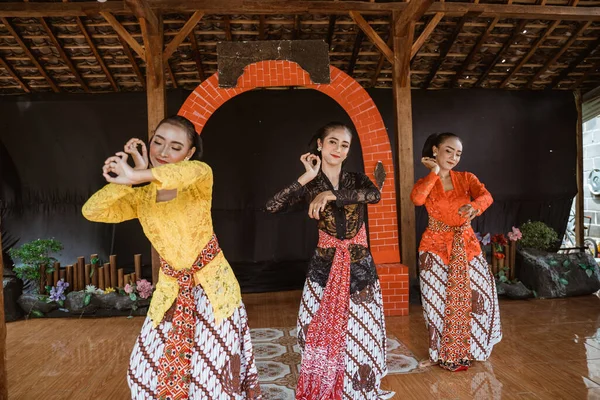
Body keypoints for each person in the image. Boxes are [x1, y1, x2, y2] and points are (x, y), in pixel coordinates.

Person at [82, 115, 262, 399]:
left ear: (189, 153)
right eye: (158, 142)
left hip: (213, 290)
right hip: (170, 290)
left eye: (175, 147)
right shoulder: (142, 197)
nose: (163, 152)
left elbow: (180, 175)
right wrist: (126, 182)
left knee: (211, 379)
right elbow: (93, 211)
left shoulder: (199, 175)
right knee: (142, 372)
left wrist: (137, 174)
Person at [266, 122, 393, 399]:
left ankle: (357, 389)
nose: (338, 148)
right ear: (320, 145)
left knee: (361, 332)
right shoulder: (311, 183)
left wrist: (331, 194)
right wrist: (306, 178)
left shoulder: (357, 179)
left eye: (344, 145)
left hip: (360, 268)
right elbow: (272, 206)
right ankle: (325, 385)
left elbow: (374, 195)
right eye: (332, 142)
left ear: (348, 152)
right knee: (317, 333)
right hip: (324, 268)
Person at [411, 132, 502, 372]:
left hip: (466, 244)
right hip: (434, 247)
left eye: (458, 153)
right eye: (448, 150)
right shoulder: (426, 181)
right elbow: (418, 199)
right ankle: (438, 353)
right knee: (435, 303)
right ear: (435, 151)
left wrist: (474, 206)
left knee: (481, 296)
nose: (453, 156)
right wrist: (433, 173)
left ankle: (473, 348)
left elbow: (487, 196)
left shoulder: (466, 178)